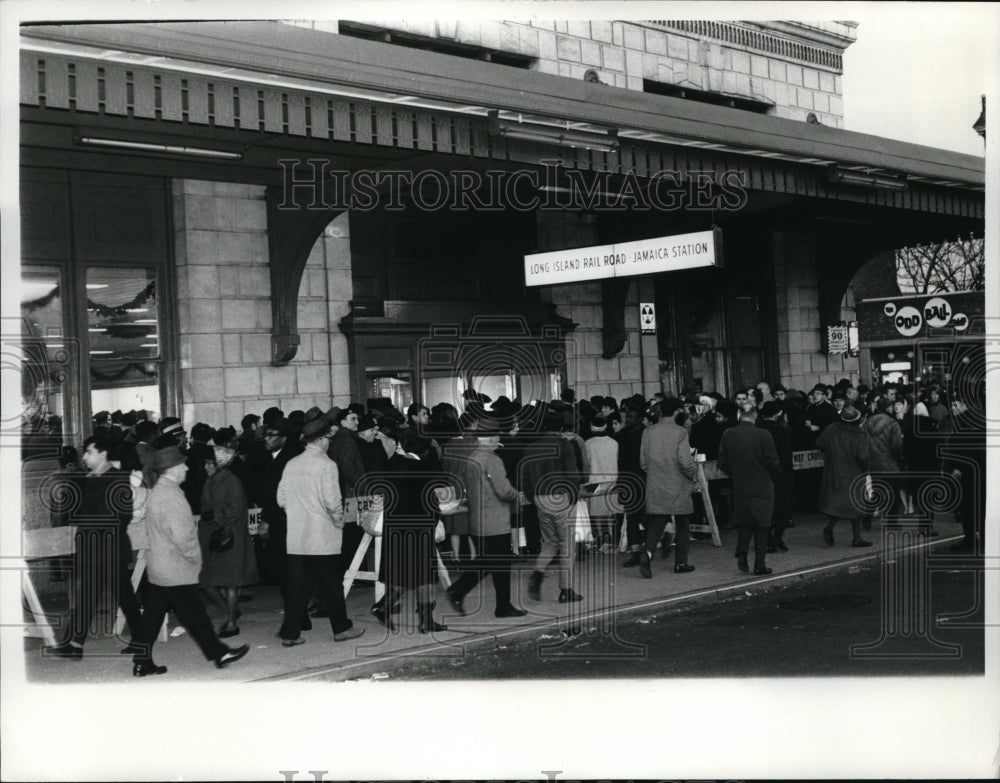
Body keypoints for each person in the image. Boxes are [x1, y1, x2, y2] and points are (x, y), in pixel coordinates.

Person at [130, 446, 250, 676]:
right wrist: (195, 560)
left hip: (159, 567)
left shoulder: (157, 492)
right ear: (173, 469)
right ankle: (219, 653)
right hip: (176, 568)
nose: (186, 467)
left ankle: (141, 661)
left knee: (153, 618)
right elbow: (183, 537)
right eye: (182, 464)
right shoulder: (173, 496)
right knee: (195, 615)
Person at [46, 436, 144, 659]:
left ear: (103, 454)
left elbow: (122, 516)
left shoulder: (117, 479)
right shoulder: (93, 479)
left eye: (89, 452)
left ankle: (74, 645)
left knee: (99, 597)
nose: (85, 457)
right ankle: (77, 644)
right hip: (98, 550)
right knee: (118, 598)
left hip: (107, 549)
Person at [276, 418, 365, 646]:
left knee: (297, 587)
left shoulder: (292, 464)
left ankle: (290, 633)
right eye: (328, 438)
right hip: (322, 536)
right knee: (331, 585)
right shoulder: (327, 465)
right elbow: (333, 502)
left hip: (297, 537)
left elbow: (281, 499)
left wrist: (298, 514)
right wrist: (338, 522)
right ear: (322, 440)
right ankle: (341, 628)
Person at [444, 419, 528, 619]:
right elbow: (503, 490)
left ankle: (497, 604)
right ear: (491, 438)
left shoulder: (472, 457)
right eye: (497, 435)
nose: (499, 438)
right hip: (495, 519)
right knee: (499, 563)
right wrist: (519, 496)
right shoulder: (493, 460)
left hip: (477, 519)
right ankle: (463, 591)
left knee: (489, 560)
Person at [370, 430, 448, 633]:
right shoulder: (421, 470)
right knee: (424, 577)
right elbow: (431, 505)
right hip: (418, 530)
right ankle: (425, 619)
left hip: (395, 529)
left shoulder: (389, 466)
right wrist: (435, 520)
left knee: (402, 575)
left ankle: (384, 606)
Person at [522, 409, 584, 604]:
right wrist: (572, 498)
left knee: (549, 542)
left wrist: (534, 498)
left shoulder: (530, 448)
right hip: (561, 498)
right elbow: (573, 475)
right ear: (559, 428)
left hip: (540, 498)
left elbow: (524, 478)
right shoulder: (564, 445)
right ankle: (566, 591)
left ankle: (538, 572)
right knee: (567, 545)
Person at [199, 445, 259, 638]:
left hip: (230, 538)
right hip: (214, 537)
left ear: (220, 464)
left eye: (210, 463)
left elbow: (236, 510)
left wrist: (214, 515)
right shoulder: (210, 481)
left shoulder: (233, 483)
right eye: (206, 463)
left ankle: (232, 623)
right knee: (211, 580)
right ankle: (231, 612)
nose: (206, 466)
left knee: (230, 583)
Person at [637, 398, 697, 578]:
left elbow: (643, 462)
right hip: (678, 482)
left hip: (656, 482)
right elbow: (685, 461)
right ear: (677, 412)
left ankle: (647, 553)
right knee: (683, 524)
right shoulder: (680, 432)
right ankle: (681, 562)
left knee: (658, 521)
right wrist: (692, 473)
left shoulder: (648, 431)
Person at [718, 405, 781, 575]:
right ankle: (759, 564)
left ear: (739, 415)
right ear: (755, 415)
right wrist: (771, 476)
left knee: (745, 521)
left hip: (740, 485)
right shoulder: (763, 434)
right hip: (762, 484)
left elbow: (721, 462)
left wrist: (735, 474)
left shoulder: (728, 434)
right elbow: (773, 462)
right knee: (762, 524)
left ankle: (742, 550)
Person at [816, 406, 872, 548]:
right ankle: (857, 537)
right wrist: (867, 468)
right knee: (856, 504)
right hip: (853, 473)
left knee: (837, 503)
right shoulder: (860, 435)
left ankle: (829, 526)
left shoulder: (831, 429)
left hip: (833, 470)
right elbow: (863, 457)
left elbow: (819, 444)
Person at [938, 396, 986, 553]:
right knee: (971, 508)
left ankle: (973, 539)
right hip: (970, 472)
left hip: (971, 474)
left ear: (964, 406)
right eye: (951, 404)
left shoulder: (970, 424)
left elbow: (973, 448)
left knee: (972, 507)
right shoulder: (966, 422)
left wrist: (960, 468)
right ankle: (975, 539)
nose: (952, 407)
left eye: (955, 404)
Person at [757, 401, 795, 552]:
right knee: (783, 507)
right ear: (778, 413)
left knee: (766, 509)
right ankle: (778, 536)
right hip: (780, 473)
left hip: (762, 473)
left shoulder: (757, 428)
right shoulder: (782, 430)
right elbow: (786, 455)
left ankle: (767, 540)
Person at [863, 397, 904, 517]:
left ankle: (868, 514)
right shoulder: (893, 423)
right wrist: (899, 457)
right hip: (889, 463)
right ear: (889, 407)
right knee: (893, 492)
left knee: (876, 490)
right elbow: (897, 445)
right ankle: (892, 521)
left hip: (873, 462)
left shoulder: (868, 422)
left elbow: (862, 440)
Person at [584, 415, 619, 552]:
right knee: (611, 511)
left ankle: (599, 539)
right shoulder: (614, 443)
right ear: (606, 426)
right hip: (612, 480)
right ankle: (611, 538)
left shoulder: (588, 444)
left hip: (594, 481)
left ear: (592, 427)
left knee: (596, 513)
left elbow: (586, 464)